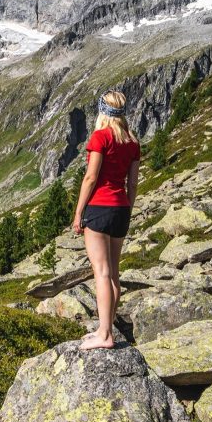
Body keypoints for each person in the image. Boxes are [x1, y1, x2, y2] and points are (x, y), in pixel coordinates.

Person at [72, 90, 140, 350]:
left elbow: (90, 177)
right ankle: (106, 329)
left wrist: (79, 213)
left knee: (101, 272)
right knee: (113, 273)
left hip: (99, 207)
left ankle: (104, 335)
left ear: (103, 111)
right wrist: (127, 208)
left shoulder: (100, 138)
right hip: (121, 208)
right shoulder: (132, 142)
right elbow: (132, 183)